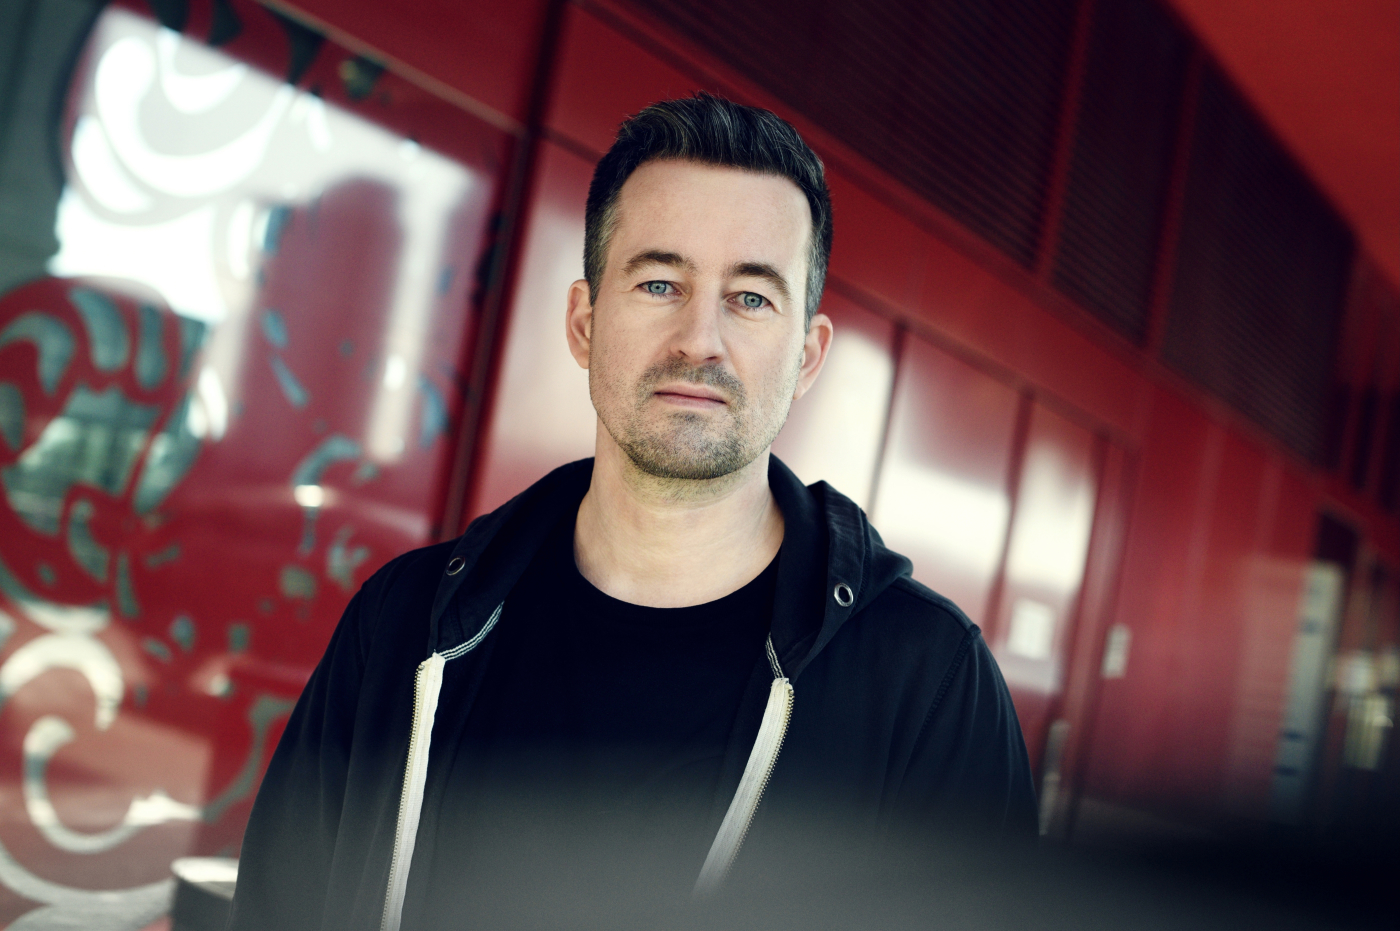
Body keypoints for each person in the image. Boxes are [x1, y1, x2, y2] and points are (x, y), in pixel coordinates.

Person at [228, 93, 1036, 931]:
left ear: (807, 355)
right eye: (659, 283)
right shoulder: (404, 628)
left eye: (751, 298)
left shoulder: (927, 686)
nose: (700, 339)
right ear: (584, 323)